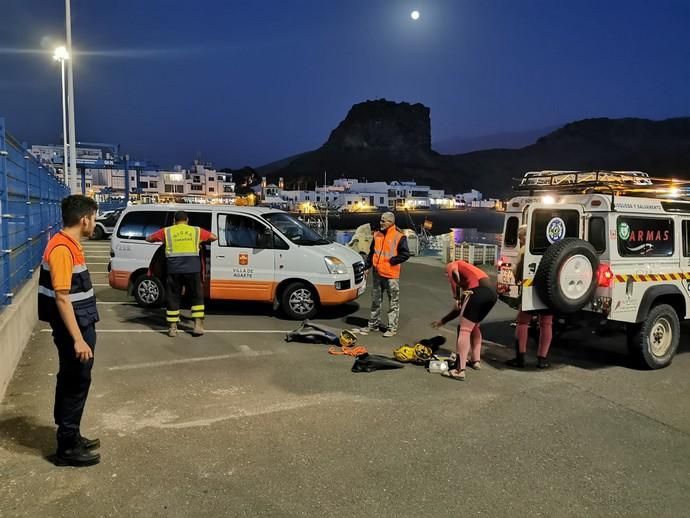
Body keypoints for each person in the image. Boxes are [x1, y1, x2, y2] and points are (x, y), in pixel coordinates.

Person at [38, 195, 101, 467]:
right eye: (94, 218)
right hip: (73, 330)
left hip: (81, 323)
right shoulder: (62, 249)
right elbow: (62, 297)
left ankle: (72, 435)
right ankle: (66, 447)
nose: (94, 223)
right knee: (74, 383)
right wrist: (78, 340)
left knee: (75, 381)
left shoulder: (69, 245)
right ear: (84, 219)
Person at [147, 211, 217, 337]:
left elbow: (149, 238)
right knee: (196, 296)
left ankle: (173, 328)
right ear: (187, 220)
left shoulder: (167, 231)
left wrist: (165, 242)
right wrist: (199, 242)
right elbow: (213, 237)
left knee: (173, 297)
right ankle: (197, 326)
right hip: (192, 269)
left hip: (174, 269)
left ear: (174, 220)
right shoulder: (196, 231)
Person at [431, 260, 498, 381]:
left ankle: (459, 370)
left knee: (464, 330)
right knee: (474, 325)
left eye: (446, 275)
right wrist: (443, 321)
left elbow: (454, 274)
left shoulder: (453, 265)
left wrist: (456, 297)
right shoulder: (471, 278)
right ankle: (475, 361)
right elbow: (460, 310)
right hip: (492, 294)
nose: (447, 277)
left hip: (479, 292)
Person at [507, 225, 553, 368]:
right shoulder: (553, 248)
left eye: (521, 238)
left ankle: (520, 358)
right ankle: (542, 359)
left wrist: (518, 280)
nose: (521, 241)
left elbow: (518, 271)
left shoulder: (525, 249)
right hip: (549, 291)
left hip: (531, 290)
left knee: (523, 323)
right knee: (546, 324)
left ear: (524, 237)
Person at [359, 212, 410, 337]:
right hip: (377, 273)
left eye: (384, 221)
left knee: (393, 302)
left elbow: (405, 254)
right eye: (381, 220)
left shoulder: (399, 236)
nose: (381, 223)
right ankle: (373, 324)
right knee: (376, 300)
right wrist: (367, 267)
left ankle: (392, 328)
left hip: (391, 275)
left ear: (391, 222)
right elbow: (372, 253)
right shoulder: (377, 235)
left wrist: (392, 261)